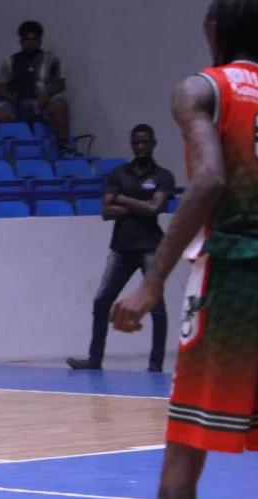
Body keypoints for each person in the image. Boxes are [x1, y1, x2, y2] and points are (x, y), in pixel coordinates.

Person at [107, 2, 258, 499]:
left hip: (235, 278)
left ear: (212, 32)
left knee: (183, 457)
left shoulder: (202, 87)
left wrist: (152, 281)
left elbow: (207, 179)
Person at [67, 124, 176, 373]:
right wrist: (139, 206)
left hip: (151, 248)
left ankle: (155, 365)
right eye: (136, 143)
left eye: (145, 142)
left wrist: (123, 199)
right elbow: (106, 212)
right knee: (102, 300)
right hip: (121, 248)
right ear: (131, 144)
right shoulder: (118, 174)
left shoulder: (163, 176)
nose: (141, 147)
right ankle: (94, 359)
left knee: (156, 307)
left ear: (153, 144)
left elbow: (154, 210)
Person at [0, 21, 74, 156]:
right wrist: (9, 97)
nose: (30, 43)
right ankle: (6, 150)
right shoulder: (9, 61)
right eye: (26, 40)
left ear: (40, 40)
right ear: (21, 41)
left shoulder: (51, 60)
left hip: (41, 103)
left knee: (60, 104)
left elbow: (61, 83)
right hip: (18, 103)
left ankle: (64, 146)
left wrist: (46, 94)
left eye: (34, 39)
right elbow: (1, 86)